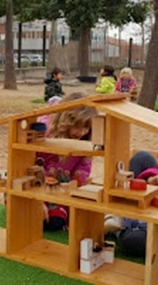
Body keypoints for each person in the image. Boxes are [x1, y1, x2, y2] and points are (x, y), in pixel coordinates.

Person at [38, 93, 98, 230]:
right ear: (66, 122)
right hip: (34, 188)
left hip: (59, 190)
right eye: (78, 126)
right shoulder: (44, 132)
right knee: (36, 217)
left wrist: (73, 209)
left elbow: (81, 173)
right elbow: (26, 167)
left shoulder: (86, 141)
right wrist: (38, 201)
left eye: (87, 127)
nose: (82, 132)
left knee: (56, 221)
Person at [105, 151, 158, 257]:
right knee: (143, 157)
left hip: (148, 224)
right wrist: (152, 179)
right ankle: (118, 210)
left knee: (133, 240)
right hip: (144, 198)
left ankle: (119, 224)